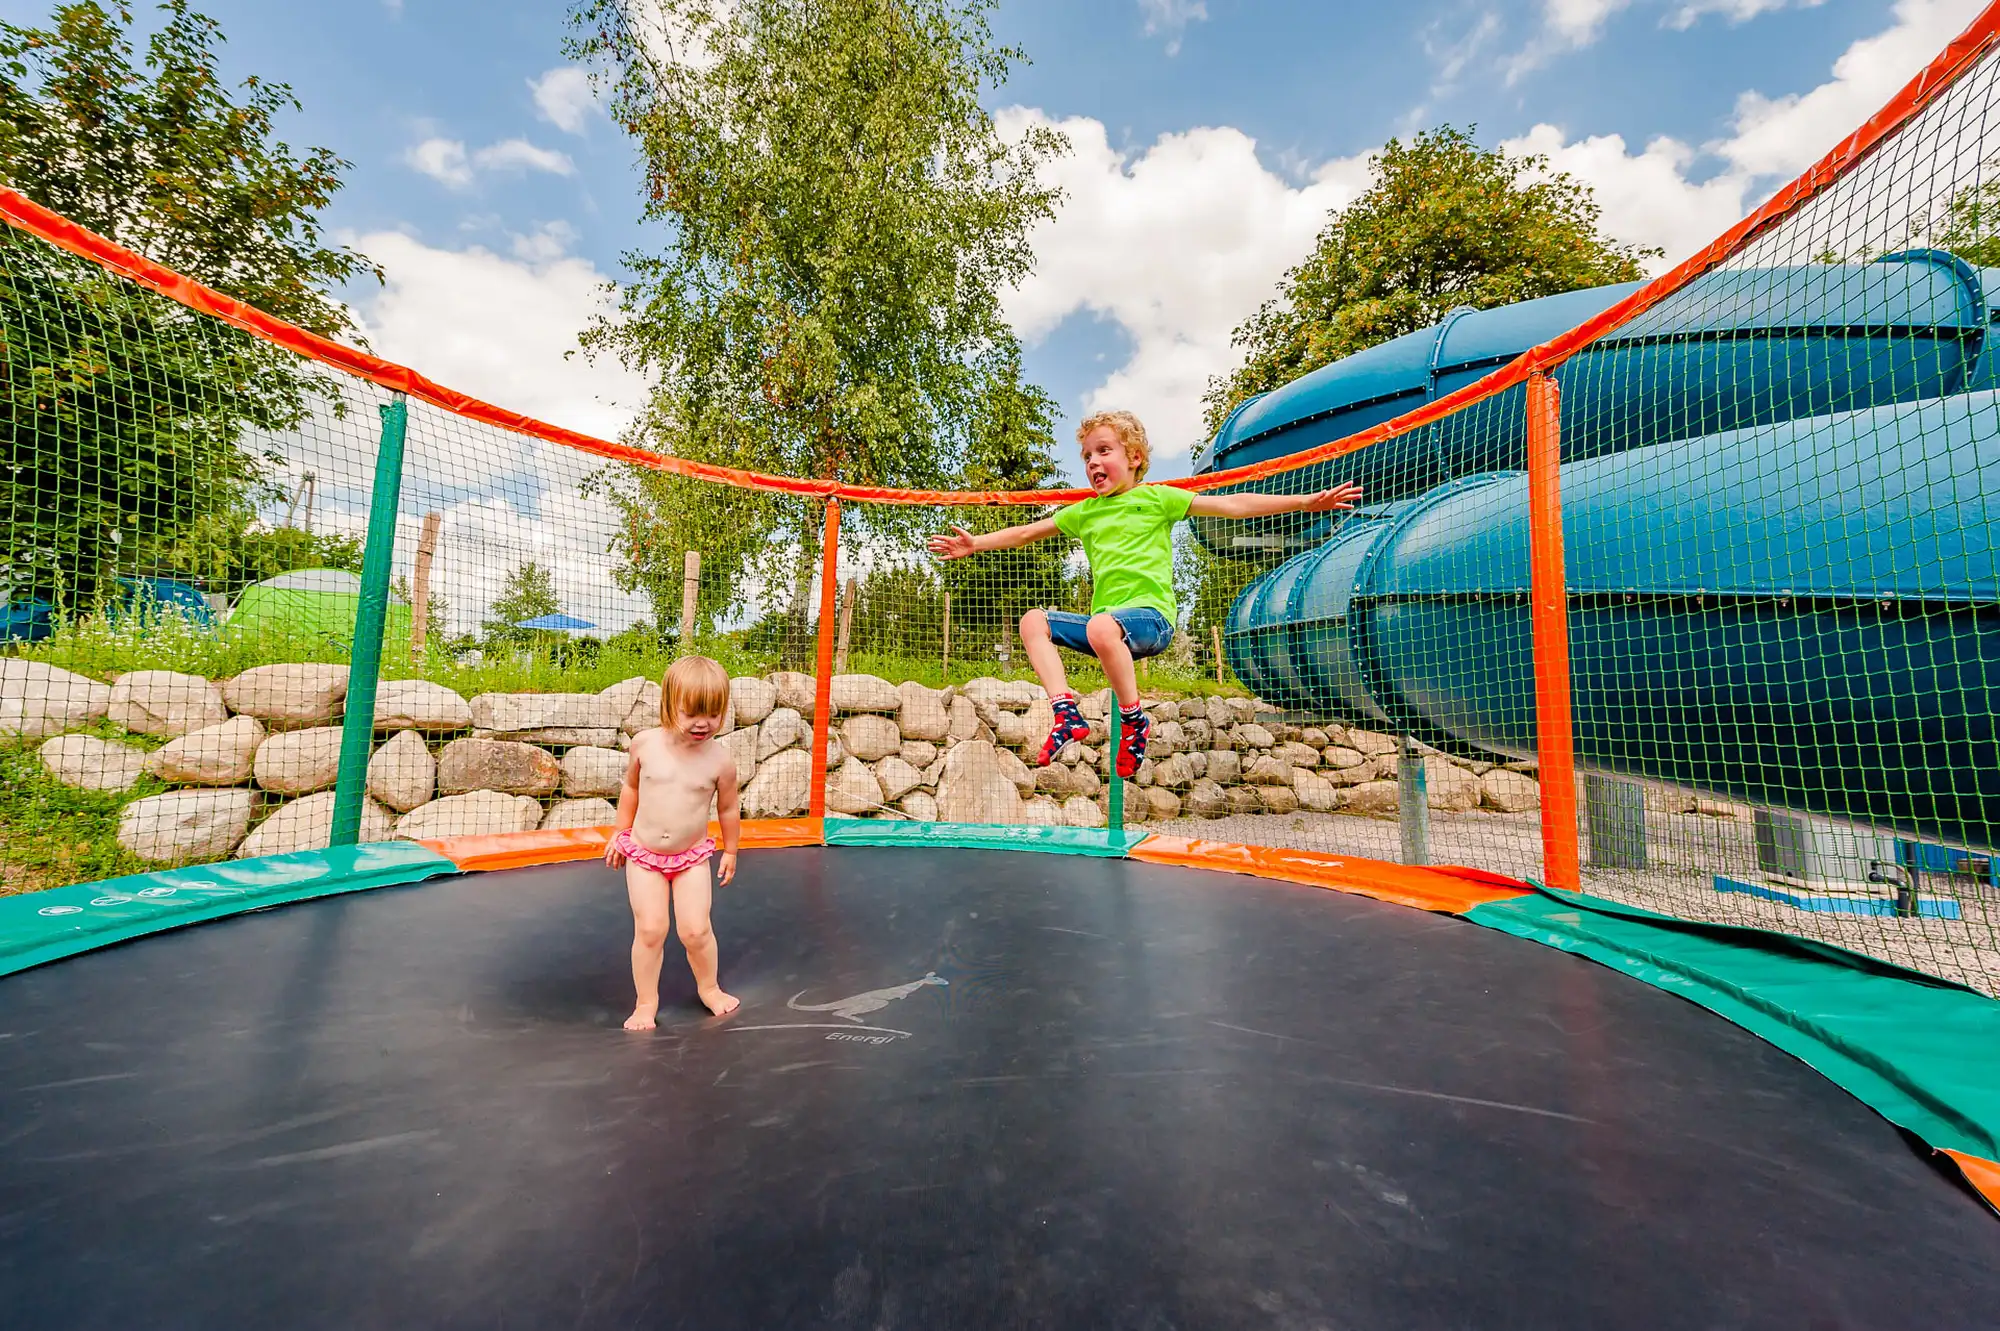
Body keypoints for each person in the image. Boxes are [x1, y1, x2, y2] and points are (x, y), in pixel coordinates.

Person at [928, 409, 1363, 778]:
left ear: (1134, 458)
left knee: (1101, 626)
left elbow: (1233, 504)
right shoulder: (1085, 512)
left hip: (1151, 622)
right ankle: (1065, 715)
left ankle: (1135, 721)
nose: (1093, 462)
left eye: (1104, 451)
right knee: (1033, 621)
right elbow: (1026, 532)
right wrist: (975, 544)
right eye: (1086, 456)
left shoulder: (1157, 500)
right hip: (1107, 631)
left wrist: (1305, 503)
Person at [604, 655, 742, 1027]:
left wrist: (730, 850)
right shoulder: (645, 745)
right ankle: (646, 1003)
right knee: (650, 929)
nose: (703, 723)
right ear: (668, 705)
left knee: (695, 930)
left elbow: (728, 809)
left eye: (713, 714)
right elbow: (631, 789)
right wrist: (619, 834)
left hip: (692, 858)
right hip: (644, 854)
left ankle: (709, 988)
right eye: (692, 713)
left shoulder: (720, 761)